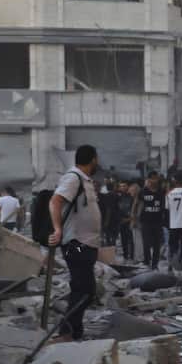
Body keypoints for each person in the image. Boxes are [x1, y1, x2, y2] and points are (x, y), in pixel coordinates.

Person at [48, 145, 101, 341]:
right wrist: (57, 228)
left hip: (85, 243)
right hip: (76, 244)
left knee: (83, 289)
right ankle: (67, 332)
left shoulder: (84, 180)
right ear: (93, 159)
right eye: (97, 159)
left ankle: (74, 332)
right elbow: (55, 201)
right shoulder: (73, 178)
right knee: (85, 290)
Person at [136, 172, 167, 271]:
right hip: (145, 221)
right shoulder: (143, 191)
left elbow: (164, 206)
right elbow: (139, 204)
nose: (155, 180)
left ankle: (155, 264)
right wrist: (137, 218)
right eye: (152, 178)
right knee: (146, 243)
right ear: (148, 179)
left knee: (157, 244)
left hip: (157, 221)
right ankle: (146, 261)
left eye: (156, 178)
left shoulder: (162, 191)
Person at [165, 177, 182, 273]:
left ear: (175, 182)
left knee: (172, 245)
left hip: (173, 224)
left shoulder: (169, 193)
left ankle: (170, 265)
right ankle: (181, 264)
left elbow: (167, 208)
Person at [114, 181, 136, 263]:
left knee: (131, 240)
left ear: (128, 187)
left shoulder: (131, 197)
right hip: (121, 221)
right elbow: (116, 209)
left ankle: (132, 256)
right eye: (121, 186)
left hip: (130, 221)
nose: (122, 187)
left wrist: (130, 219)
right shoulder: (118, 198)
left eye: (124, 186)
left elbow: (134, 210)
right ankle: (125, 256)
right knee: (124, 240)